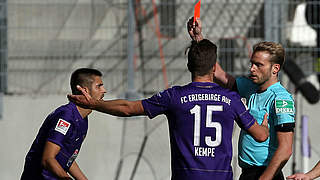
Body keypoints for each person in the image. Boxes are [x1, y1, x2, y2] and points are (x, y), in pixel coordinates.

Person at [68, 39, 269, 180]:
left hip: (186, 176)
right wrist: (265, 127)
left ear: (189, 66)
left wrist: (95, 104)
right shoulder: (230, 98)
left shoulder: (174, 96)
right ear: (214, 68)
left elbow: (128, 108)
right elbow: (260, 136)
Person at [187, 18, 296, 180]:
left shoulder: (281, 99)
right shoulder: (251, 87)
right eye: (252, 63)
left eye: (258, 65)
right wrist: (198, 38)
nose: (252, 69)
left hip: (266, 174)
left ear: (275, 69)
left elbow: (286, 149)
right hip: (248, 174)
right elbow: (220, 76)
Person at [21, 68, 106, 180]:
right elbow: (48, 159)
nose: (104, 90)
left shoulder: (83, 119)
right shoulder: (66, 117)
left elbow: (67, 158)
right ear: (84, 90)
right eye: (99, 86)